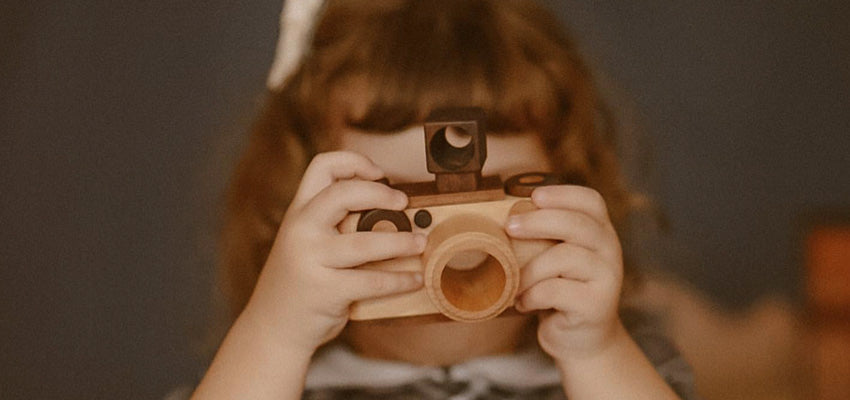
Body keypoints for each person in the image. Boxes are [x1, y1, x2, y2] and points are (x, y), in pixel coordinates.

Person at [190, 0, 698, 399]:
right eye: (393, 203)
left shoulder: (614, 368)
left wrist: (596, 353)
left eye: (493, 196)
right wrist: (274, 335)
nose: (446, 244)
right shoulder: (271, 375)